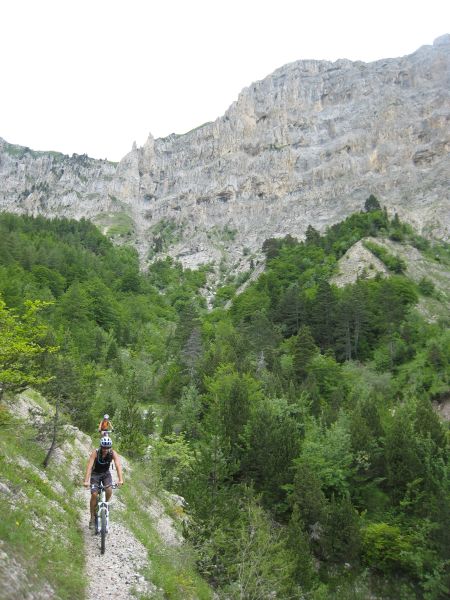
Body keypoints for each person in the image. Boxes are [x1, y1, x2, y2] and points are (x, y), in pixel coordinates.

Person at [83, 436, 123, 528]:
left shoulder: (112, 453)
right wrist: (86, 481)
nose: (105, 449)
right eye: (104, 447)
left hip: (106, 474)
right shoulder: (95, 453)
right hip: (95, 474)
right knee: (94, 494)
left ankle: (105, 504)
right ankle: (92, 517)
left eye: (107, 447)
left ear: (110, 447)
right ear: (101, 446)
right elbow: (89, 466)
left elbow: (118, 465)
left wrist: (120, 479)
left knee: (109, 490)